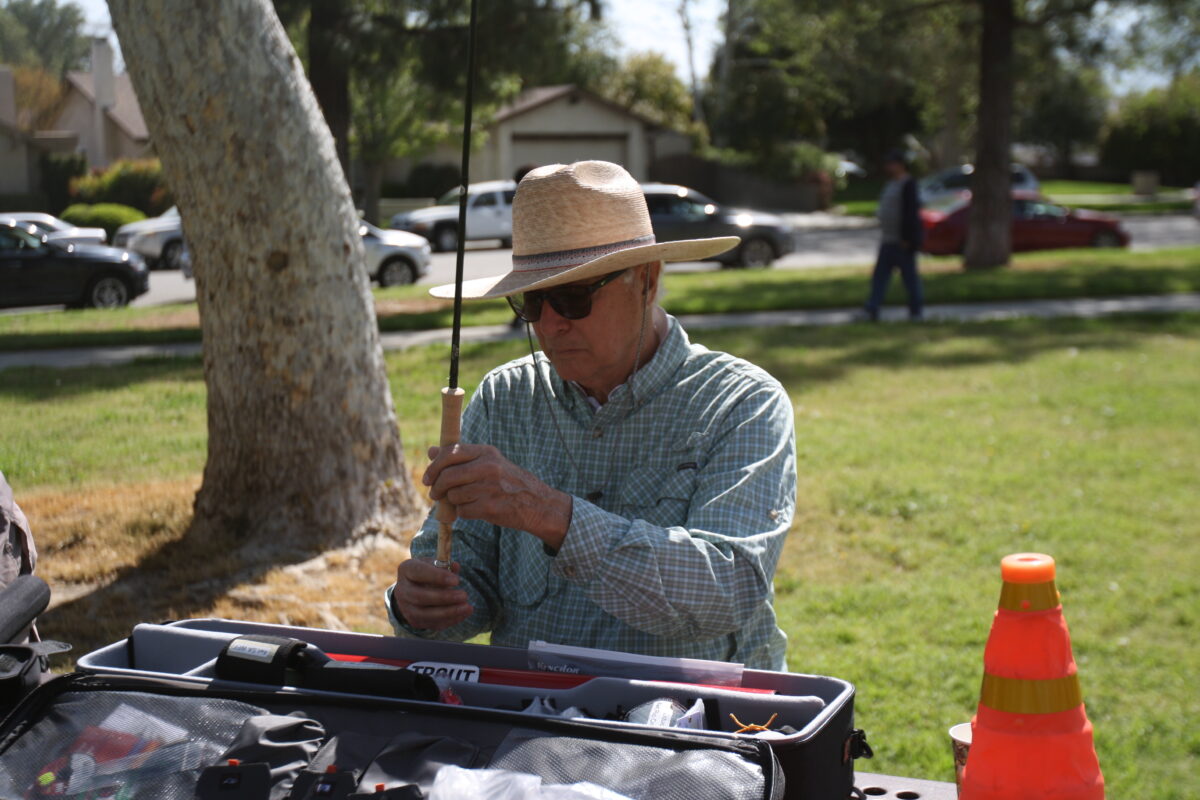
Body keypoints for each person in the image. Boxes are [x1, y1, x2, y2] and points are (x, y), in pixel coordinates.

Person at [388, 161, 796, 670]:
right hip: (528, 721)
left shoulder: (741, 402)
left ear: (647, 280)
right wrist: (423, 604)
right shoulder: (504, 395)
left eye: (574, 296)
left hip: (684, 725)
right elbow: (466, 580)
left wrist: (548, 513)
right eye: (533, 301)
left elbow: (728, 590)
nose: (551, 323)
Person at [863, 150, 924, 321]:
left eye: (892, 163)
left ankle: (916, 311)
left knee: (910, 278)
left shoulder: (908, 184)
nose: (888, 166)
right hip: (888, 239)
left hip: (902, 241)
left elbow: (911, 213)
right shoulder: (891, 183)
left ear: (900, 164)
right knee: (879, 277)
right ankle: (872, 308)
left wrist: (908, 238)